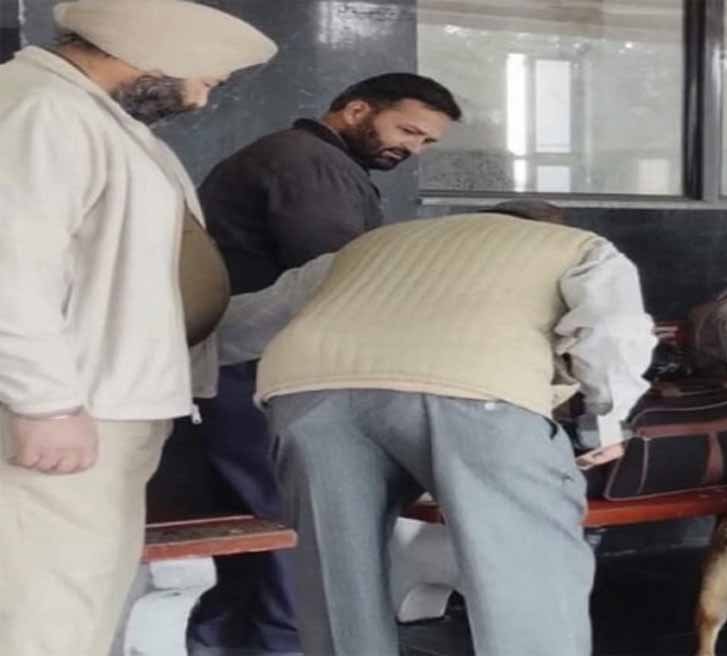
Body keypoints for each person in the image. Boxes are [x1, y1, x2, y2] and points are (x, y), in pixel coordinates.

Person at [215, 201, 656, 656]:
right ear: (549, 226)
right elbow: (614, 331)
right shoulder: (579, 247)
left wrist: (178, 376)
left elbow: (246, 321)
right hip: (474, 389)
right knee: (526, 566)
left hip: (308, 392)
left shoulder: (368, 247)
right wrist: (604, 421)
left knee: (337, 572)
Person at [0, 1, 276, 656]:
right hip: (68, 409)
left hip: (98, 406)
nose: (202, 100)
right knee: (47, 607)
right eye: (206, 79)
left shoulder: (89, 114)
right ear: (159, 53)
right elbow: (10, 266)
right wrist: (45, 404)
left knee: (78, 595)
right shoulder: (43, 109)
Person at [188, 74, 461, 654]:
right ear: (357, 110)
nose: (413, 148)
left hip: (241, 364)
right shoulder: (310, 164)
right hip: (263, 369)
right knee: (297, 526)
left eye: (426, 142)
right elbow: (345, 276)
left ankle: (226, 645)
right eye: (407, 130)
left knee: (256, 530)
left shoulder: (298, 157)